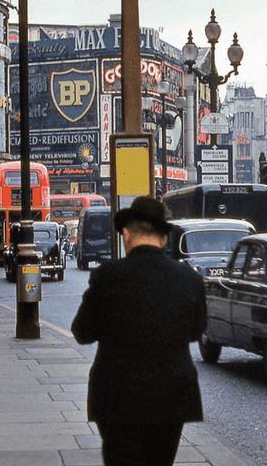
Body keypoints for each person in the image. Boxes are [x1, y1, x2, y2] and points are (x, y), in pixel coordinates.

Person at [71, 196, 206, 466]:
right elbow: (195, 332)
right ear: (164, 239)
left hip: (117, 396)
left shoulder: (108, 276)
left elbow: (82, 331)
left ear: (127, 235)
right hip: (171, 396)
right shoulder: (190, 279)